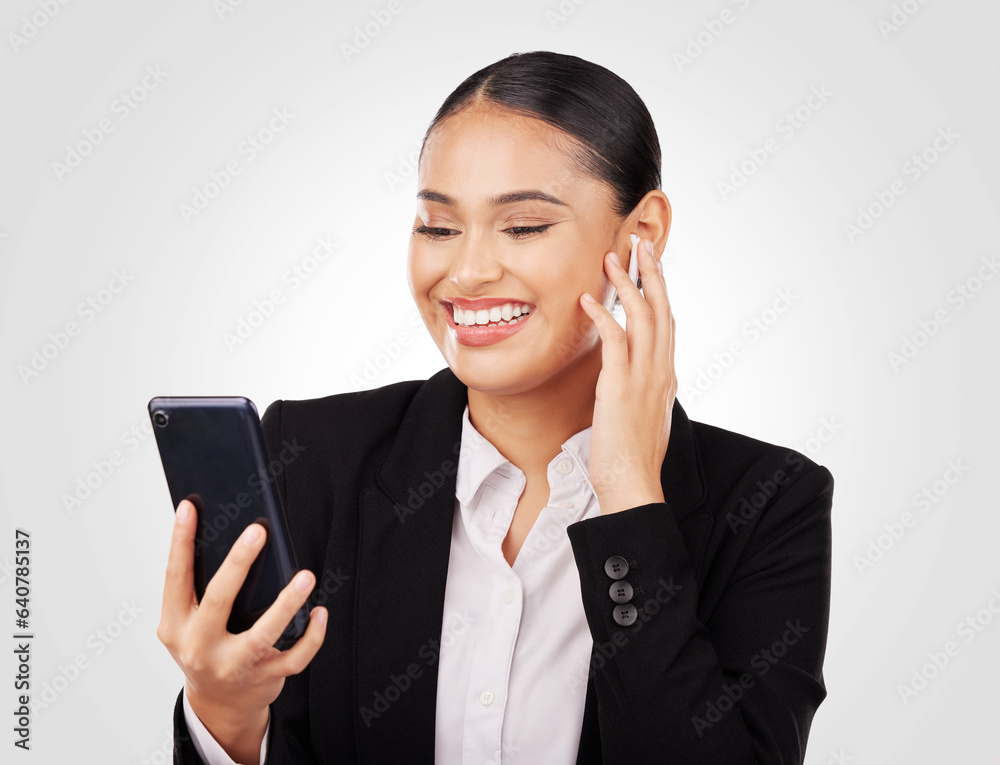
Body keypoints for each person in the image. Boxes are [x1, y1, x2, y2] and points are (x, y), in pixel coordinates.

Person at [157, 51, 834, 764]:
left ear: (642, 236)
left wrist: (632, 499)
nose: (468, 271)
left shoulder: (768, 503)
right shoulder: (313, 459)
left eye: (524, 226)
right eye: (438, 227)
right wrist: (224, 719)